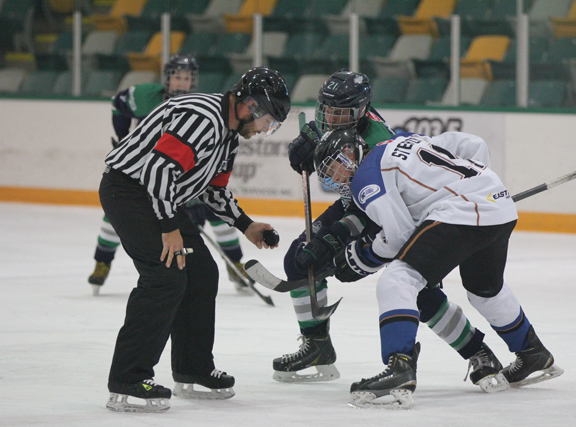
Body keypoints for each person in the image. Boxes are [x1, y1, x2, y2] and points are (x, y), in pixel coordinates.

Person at [275, 69, 507, 394]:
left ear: (359, 113)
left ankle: (478, 352)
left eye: (339, 114)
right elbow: (337, 160)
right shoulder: (348, 121)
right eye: (326, 111)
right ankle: (317, 344)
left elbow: (373, 212)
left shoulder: (376, 138)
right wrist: (312, 144)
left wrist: (336, 238)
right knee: (298, 259)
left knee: (417, 291)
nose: (330, 118)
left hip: (386, 210)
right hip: (358, 201)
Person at [304, 128, 564, 408]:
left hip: (462, 211)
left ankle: (399, 367)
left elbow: (397, 237)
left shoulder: (366, 177)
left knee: (398, 280)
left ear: (348, 153)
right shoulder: (401, 141)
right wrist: (477, 188)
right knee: (485, 290)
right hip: (498, 205)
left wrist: (358, 259)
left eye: (334, 169)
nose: (334, 179)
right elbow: (473, 144)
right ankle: (532, 351)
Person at [100, 66, 290, 413]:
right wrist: (169, 227)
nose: (266, 130)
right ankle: (128, 377)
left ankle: (192, 367)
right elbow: (157, 170)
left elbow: (214, 190)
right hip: (129, 193)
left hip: (160, 198)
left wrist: (246, 224)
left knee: (202, 272)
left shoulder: (230, 135)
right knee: (164, 277)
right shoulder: (201, 117)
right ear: (250, 105)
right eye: (269, 122)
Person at [88, 55, 249, 294]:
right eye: (177, 77)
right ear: (167, 79)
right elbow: (118, 103)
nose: (182, 83)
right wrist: (122, 139)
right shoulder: (146, 96)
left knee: (213, 211)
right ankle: (102, 262)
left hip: (186, 175)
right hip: (146, 172)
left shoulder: (201, 105)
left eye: (187, 78)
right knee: (115, 215)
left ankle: (235, 264)